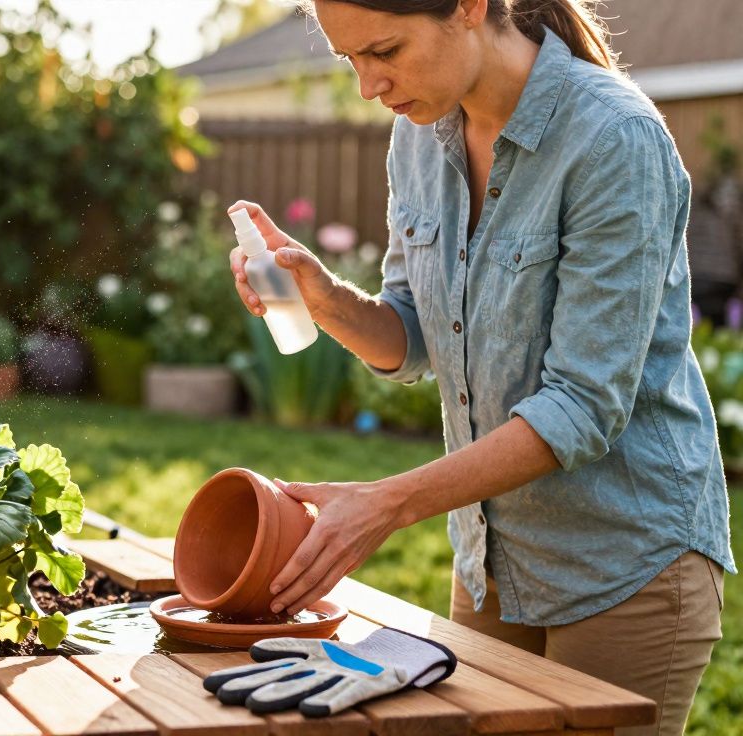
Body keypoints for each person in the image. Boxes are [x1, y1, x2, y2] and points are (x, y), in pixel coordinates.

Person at [227, 1, 734, 733]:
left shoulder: (613, 139)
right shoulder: (418, 135)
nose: (369, 86)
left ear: (468, 7)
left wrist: (386, 504)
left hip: (627, 567)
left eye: (386, 50)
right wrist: (326, 298)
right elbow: (414, 337)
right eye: (351, 61)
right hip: (492, 563)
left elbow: (583, 406)